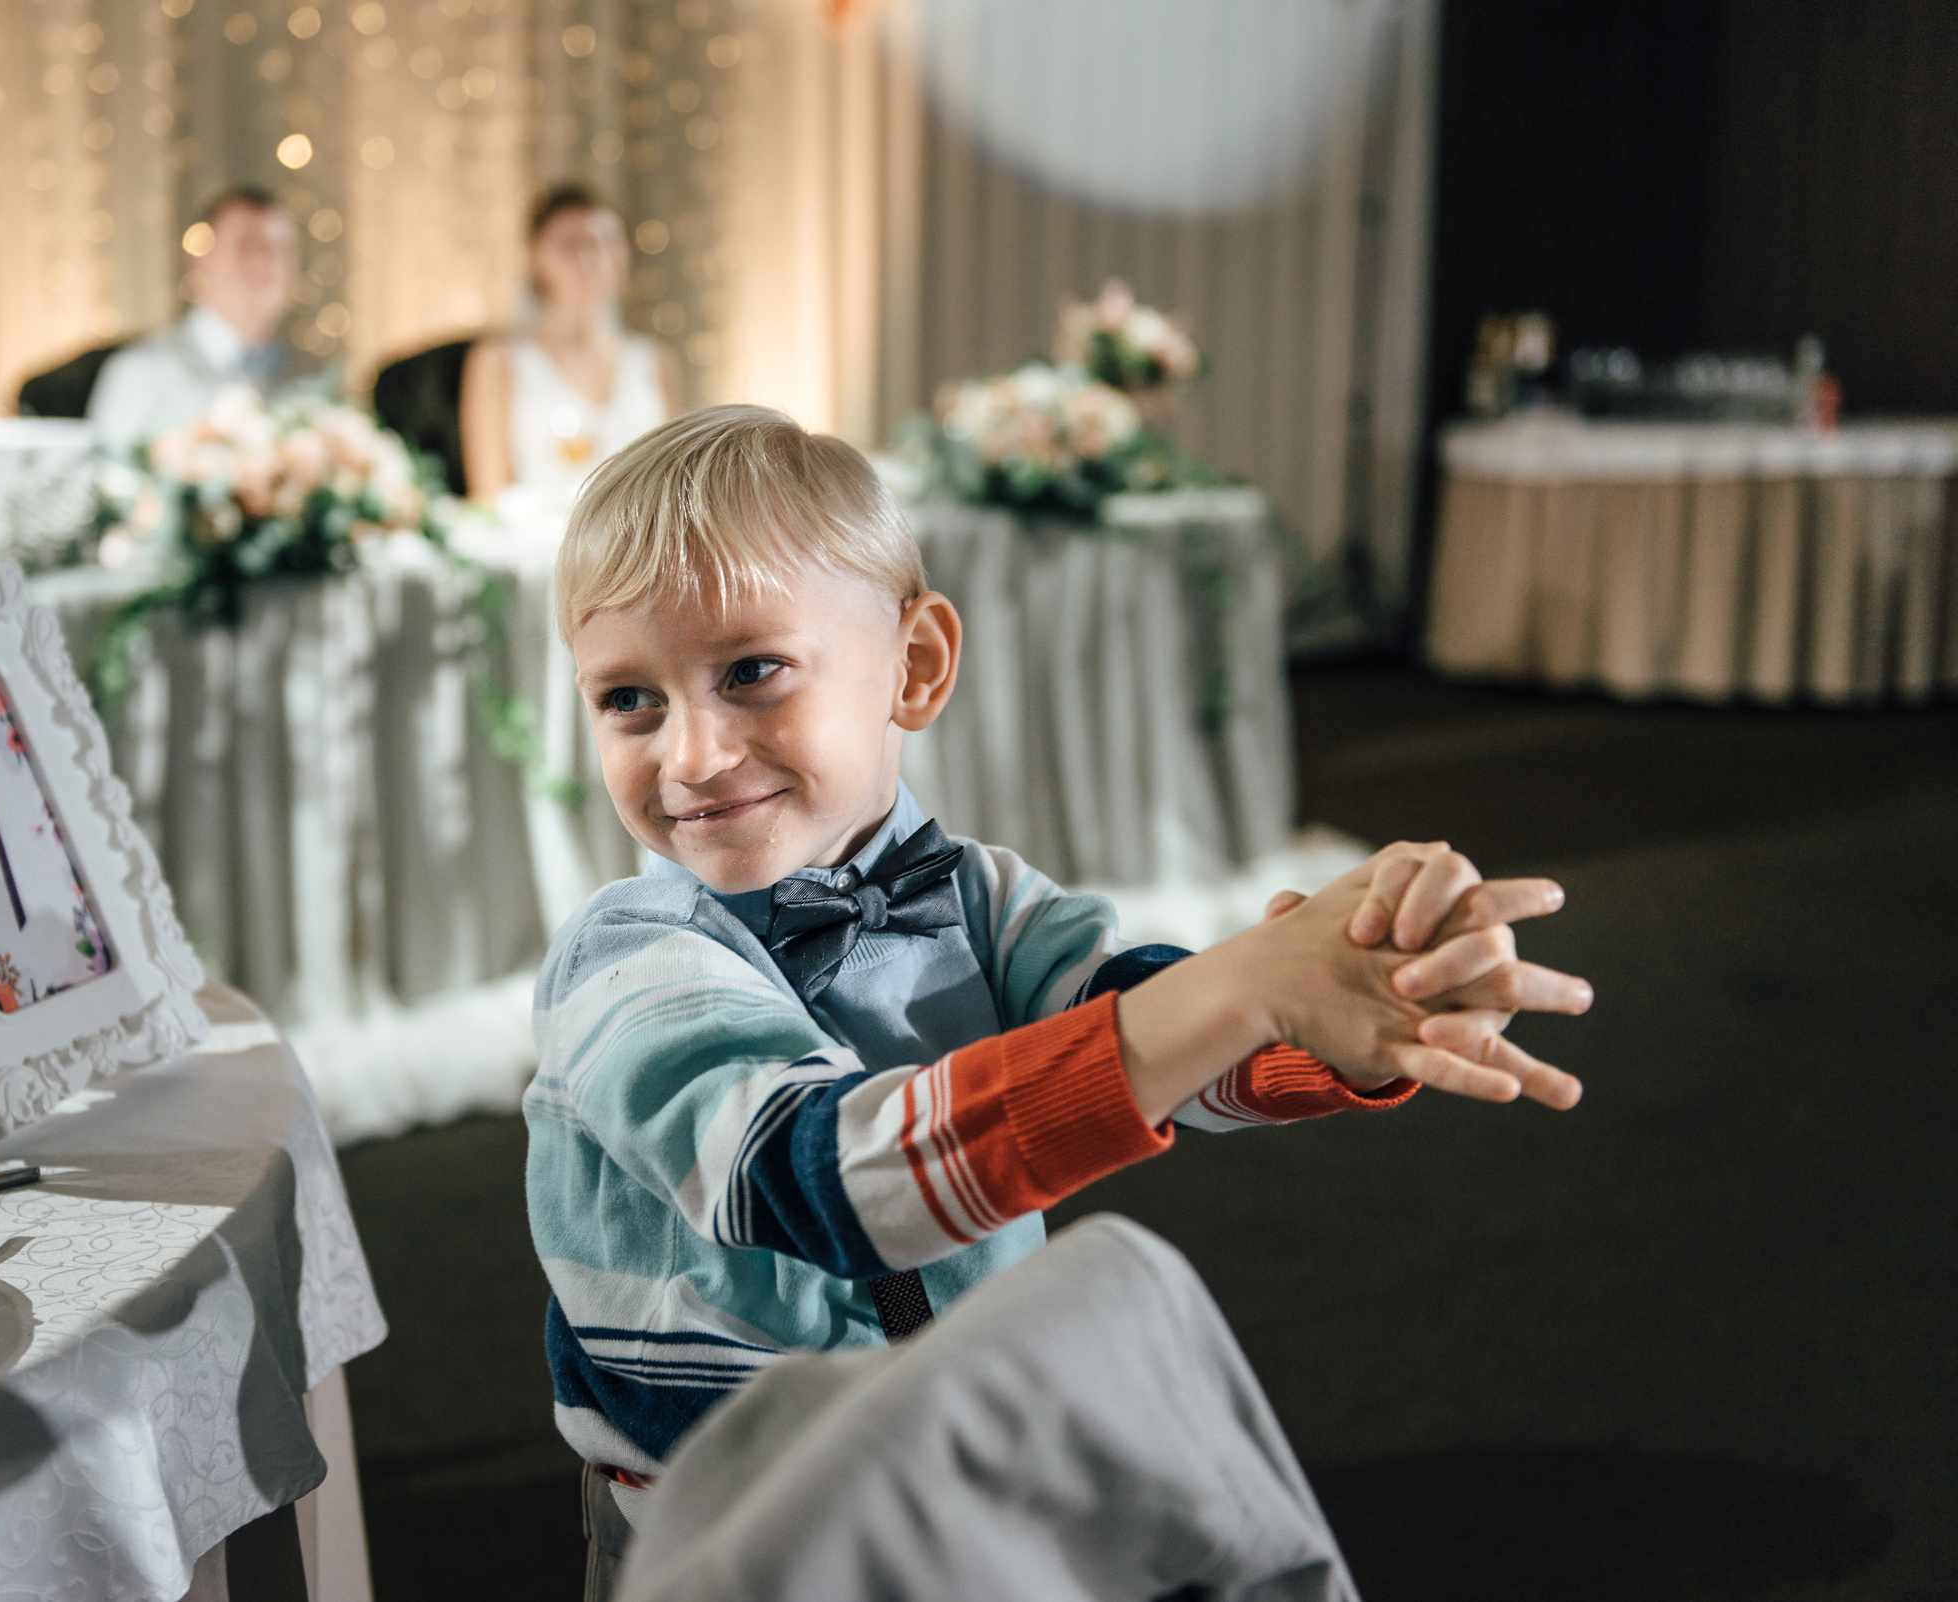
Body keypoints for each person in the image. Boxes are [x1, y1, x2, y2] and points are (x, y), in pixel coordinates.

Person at [526, 405, 1595, 1601]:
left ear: (915, 665)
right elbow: (828, 1180)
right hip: (723, 1518)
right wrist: (1242, 988)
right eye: (630, 700)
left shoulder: (976, 892)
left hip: (961, 1448)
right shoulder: (626, 958)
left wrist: (1326, 1012)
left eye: (751, 672)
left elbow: (1151, 1026)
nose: (692, 756)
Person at [458, 183, 681, 507]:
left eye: (604, 242)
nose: (589, 258)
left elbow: (671, 477)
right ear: (535, 256)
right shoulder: (497, 360)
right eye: (570, 244)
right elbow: (489, 496)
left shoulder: (655, 361)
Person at [86, 185, 335, 453]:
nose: (263, 262)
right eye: (245, 244)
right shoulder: (140, 373)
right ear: (198, 260)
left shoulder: (317, 382)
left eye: (279, 248)